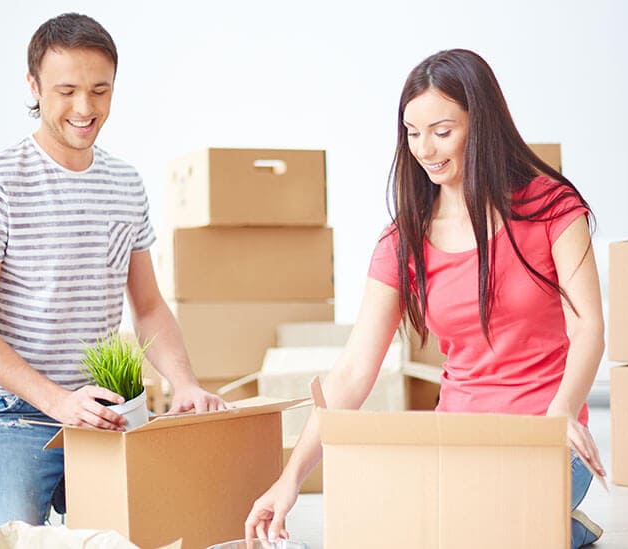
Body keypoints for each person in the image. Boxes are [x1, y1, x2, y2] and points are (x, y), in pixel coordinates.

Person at [245, 49, 606, 549]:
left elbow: (587, 327)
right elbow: (353, 372)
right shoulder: (404, 238)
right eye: (412, 134)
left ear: (482, 123)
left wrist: (564, 409)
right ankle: (545, 530)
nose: (425, 149)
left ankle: (546, 526)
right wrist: (289, 481)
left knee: (461, 528)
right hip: (457, 442)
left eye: (442, 131)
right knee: (403, 519)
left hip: (548, 440)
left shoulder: (552, 208)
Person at [0, 13, 226, 547]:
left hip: (105, 412)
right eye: (66, 90)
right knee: (4, 537)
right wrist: (58, 401)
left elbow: (149, 307)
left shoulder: (125, 183)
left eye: (100, 90)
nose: (85, 109)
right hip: (11, 413)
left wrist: (185, 384)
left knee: (172, 522)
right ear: (34, 86)